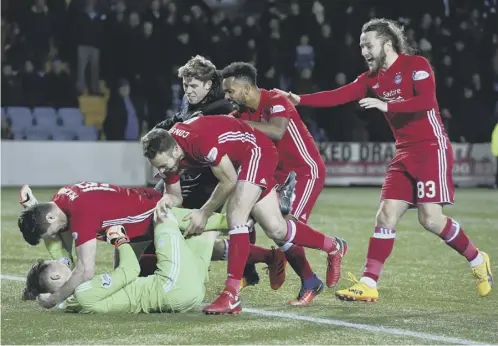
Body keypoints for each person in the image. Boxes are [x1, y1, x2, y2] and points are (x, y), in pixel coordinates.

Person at [276, 18, 493, 301]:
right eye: (361, 46)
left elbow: (426, 101)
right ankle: (369, 282)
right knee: (386, 214)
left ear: (387, 43)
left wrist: (385, 104)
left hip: (431, 149)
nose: (364, 51)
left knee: (430, 219)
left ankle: (478, 260)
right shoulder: (371, 79)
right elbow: (339, 95)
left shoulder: (416, 66)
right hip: (404, 152)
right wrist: (300, 100)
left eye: (368, 45)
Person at [141, 116, 347, 315]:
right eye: (157, 167)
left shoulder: (198, 141)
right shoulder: (169, 152)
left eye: (163, 166)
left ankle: (231, 294)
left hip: (257, 151)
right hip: (239, 160)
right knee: (277, 228)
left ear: (176, 149)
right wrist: (164, 201)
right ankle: (333, 246)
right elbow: (174, 195)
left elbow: (228, 181)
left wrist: (203, 213)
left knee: (236, 215)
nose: (161, 171)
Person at [220, 62, 337, 306]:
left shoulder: (275, 99)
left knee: (288, 228)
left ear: (246, 88)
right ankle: (249, 271)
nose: (227, 96)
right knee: (244, 214)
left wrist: (240, 126)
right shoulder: (240, 114)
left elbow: (277, 131)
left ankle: (318, 269)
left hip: (305, 171)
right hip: (277, 174)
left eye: (230, 90)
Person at [17, 182, 228, 309]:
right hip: (134, 217)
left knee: (215, 223)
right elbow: (64, 257)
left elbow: (84, 271)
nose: (54, 235)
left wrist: (54, 298)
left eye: (51, 231)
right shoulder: (62, 198)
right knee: (204, 241)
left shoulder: (81, 214)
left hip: (151, 214)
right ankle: (238, 243)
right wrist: (32, 207)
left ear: (51, 216)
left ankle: (246, 218)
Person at [152, 55, 265, 288]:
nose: (188, 91)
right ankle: (251, 265)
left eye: (193, 86)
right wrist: (156, 135)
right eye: (185, 85)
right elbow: (178, 120)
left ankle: (263, 259)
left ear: (208, 85)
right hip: (189, 171)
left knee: (192, 229)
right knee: (158, 209)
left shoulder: (222, 108)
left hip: (211, 177)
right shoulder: (191, 102)